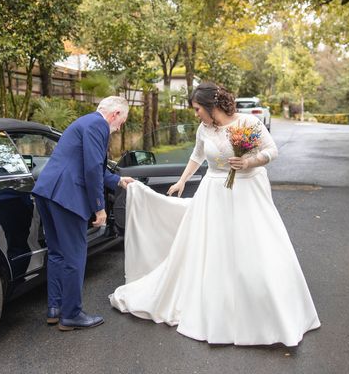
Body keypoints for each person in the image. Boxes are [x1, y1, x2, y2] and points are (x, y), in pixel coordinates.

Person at [109, 82, 320, 346]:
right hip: (212, 192)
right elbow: (197, 157)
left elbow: (272, 151)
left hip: (247, 191)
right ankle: (214, 304)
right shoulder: (203, 128)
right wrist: (182, 181)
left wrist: (249, 161)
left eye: (198, 109)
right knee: (212, 248)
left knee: (252, 247)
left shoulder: (247, 123)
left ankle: (262, 307)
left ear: (212, 106)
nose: (196, 113)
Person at [33, 96, 134, 331]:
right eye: (122, 122)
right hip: (67, 196)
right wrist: (99, 207)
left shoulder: (85, 122)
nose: (119, 129)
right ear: (115, 113)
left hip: (48, 193)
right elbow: (90, 168)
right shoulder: (98, 125)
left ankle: (55, 309)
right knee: (75, 256)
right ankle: (72, 315)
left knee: (58, 254)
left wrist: (118, 180)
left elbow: (91, 167)